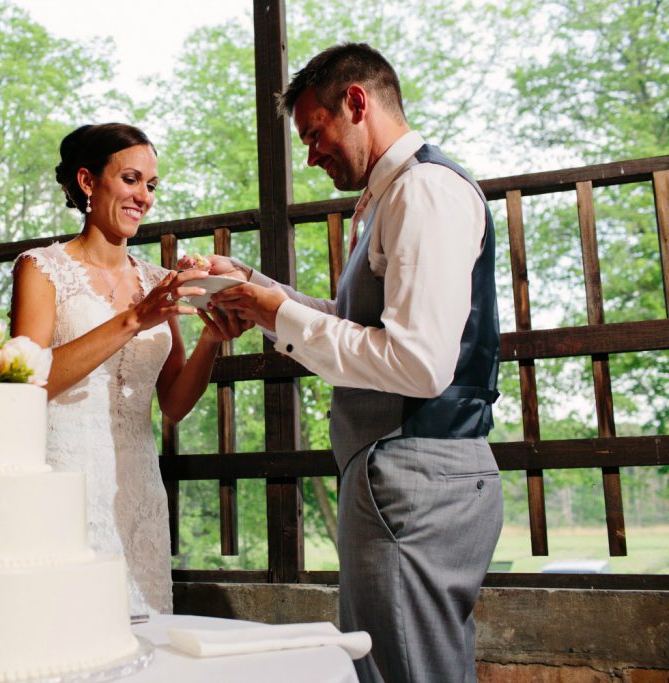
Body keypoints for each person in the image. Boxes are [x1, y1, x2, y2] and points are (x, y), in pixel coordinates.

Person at [202, 43, 504, 682]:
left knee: (403, 673)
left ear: (357, 102)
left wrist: (275, 314)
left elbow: (418, 364)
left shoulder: (423, 191)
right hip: (403, 477)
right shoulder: (392, 194)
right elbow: (366, 330)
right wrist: (260, 291)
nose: (310, 154)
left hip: (415, 477)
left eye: (314, 133)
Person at [9, 123, 240, 615]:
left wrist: (211, 341)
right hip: (64, 478)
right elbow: (28, 385)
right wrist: (136, 318)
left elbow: (175, 404)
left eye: (151, 185)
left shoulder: (157, 281)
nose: (144, 197)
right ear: (88, 182)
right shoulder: (41, 268)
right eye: (132, 179)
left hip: (137, 489)